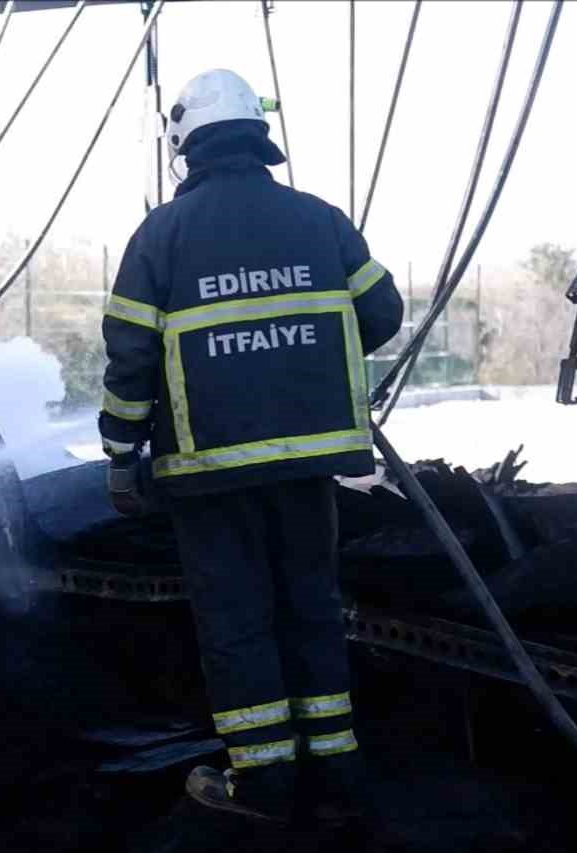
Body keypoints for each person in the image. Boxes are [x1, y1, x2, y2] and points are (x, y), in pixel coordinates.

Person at [97, 69, 404, 823]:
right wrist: (300, 359)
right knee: (309, 605)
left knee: (238, 620)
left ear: (185, 144)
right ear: (256, 136)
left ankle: (265, 781)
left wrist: (118, 451)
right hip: (309, 463)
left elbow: (129, 355)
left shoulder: (160, 236)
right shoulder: (319, 219)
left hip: (208, 473)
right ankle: (336, 764)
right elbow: (384, 312)